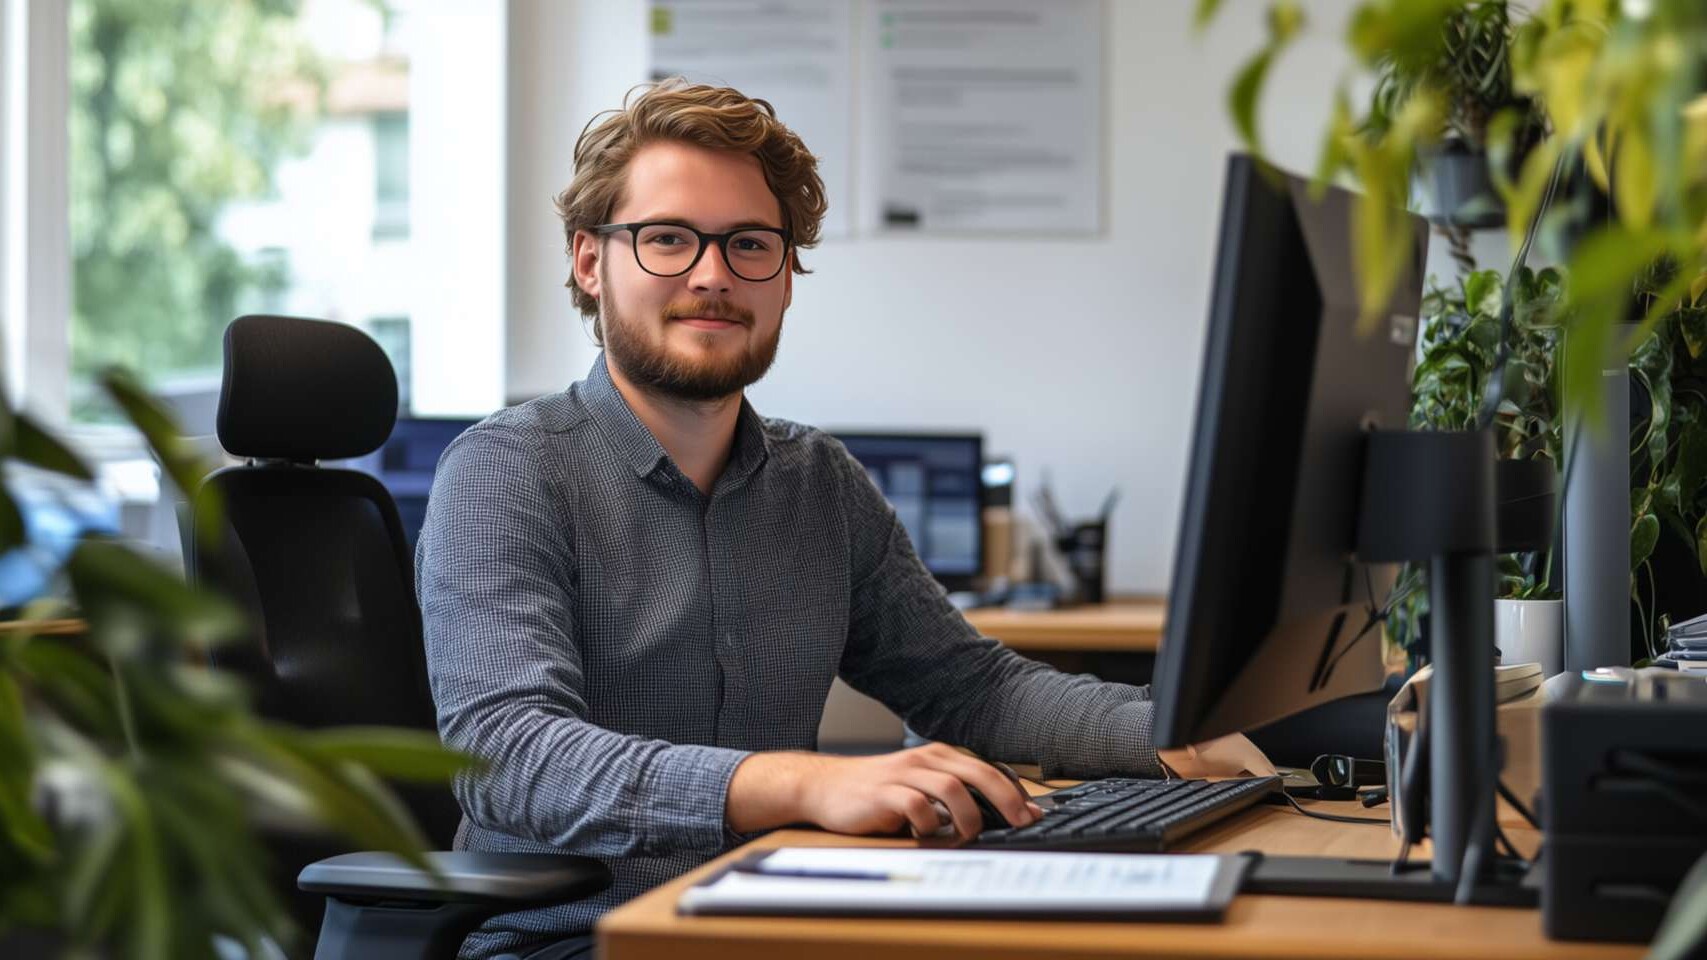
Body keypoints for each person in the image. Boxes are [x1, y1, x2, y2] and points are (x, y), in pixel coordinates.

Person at [418, 79, 1272, 960]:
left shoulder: (817, 481)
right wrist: (799, 783)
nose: (711, 274)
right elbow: (509, 754)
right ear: (591, 262)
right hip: (572, 942)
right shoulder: (507, 469)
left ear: (786, 277)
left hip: (785, 922)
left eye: (750, 244)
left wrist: (1174, 732)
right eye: (667, 238)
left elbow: (966, 686)